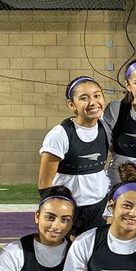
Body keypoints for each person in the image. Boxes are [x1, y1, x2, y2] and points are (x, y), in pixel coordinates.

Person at [38, 76, 110, 234]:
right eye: (84, 98)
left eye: (97, 96)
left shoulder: (106, 128)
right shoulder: (60, 134)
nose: (92, 102)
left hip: (99, 208)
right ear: (72, 105)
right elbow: (44, 185)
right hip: (70, 210)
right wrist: (58, 214)